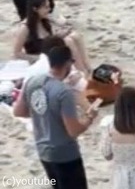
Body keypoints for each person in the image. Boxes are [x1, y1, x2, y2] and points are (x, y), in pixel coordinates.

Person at [12, 45, 98, 189]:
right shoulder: (64, 92)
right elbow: (73, 131)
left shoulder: (32, 82)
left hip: (43, 150)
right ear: (67, 64)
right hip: (65, 153)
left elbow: (18, 112)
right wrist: (89, 118)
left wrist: (44, 112)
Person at [13, 0, 93, 77]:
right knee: (68, 41)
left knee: (75, 35)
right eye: (45, 7)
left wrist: (59, 32)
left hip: (50, 52)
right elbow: (17, 53)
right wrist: (38, 58)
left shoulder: (45, 21)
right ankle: (82, 72)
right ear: (35, 9)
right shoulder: (25, 28)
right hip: (40, 57)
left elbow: (49, 39)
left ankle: (88, 67)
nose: (49, 9)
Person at [23, 36, 91, 111]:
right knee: (75, 94)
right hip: (39, 101)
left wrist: (78, 75)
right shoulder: (47, 67)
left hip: (37, 96)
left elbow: (74, 72)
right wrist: (67, 83)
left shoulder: (49, 61)